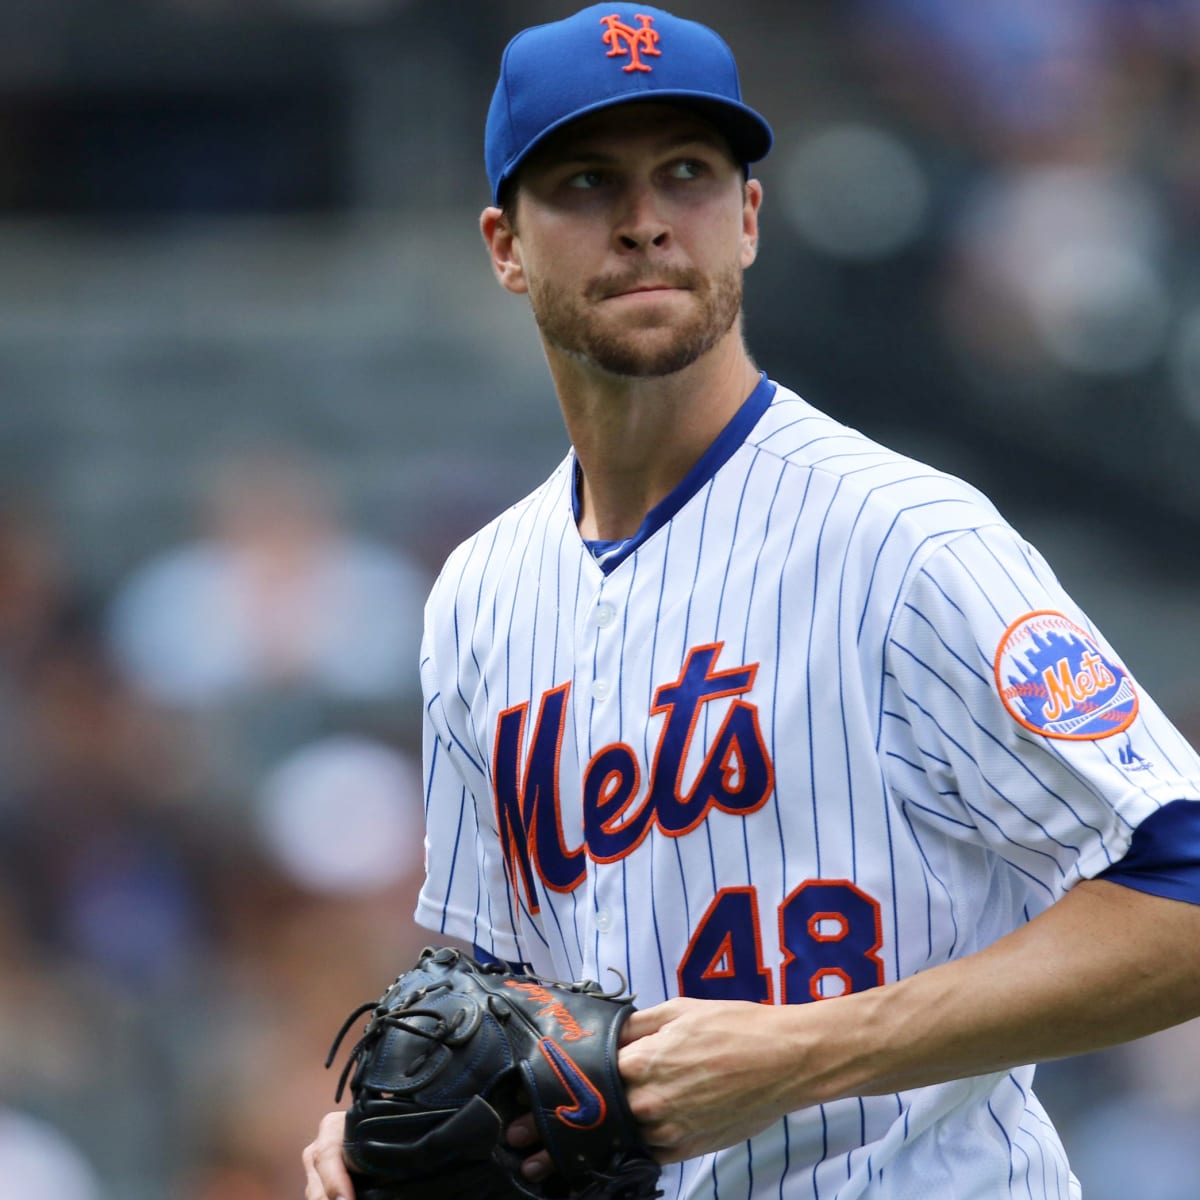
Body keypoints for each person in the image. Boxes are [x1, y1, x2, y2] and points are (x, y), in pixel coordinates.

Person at [304, 6, 1200, 1198]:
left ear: (749, 220)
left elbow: (1183, 893)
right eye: (585, 181)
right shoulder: (479, 594)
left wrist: (810, 1052)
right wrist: (385, 1132)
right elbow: (496, 993)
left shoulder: (905, 540)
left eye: (688, 172)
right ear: (505, 245)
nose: (643, 221)